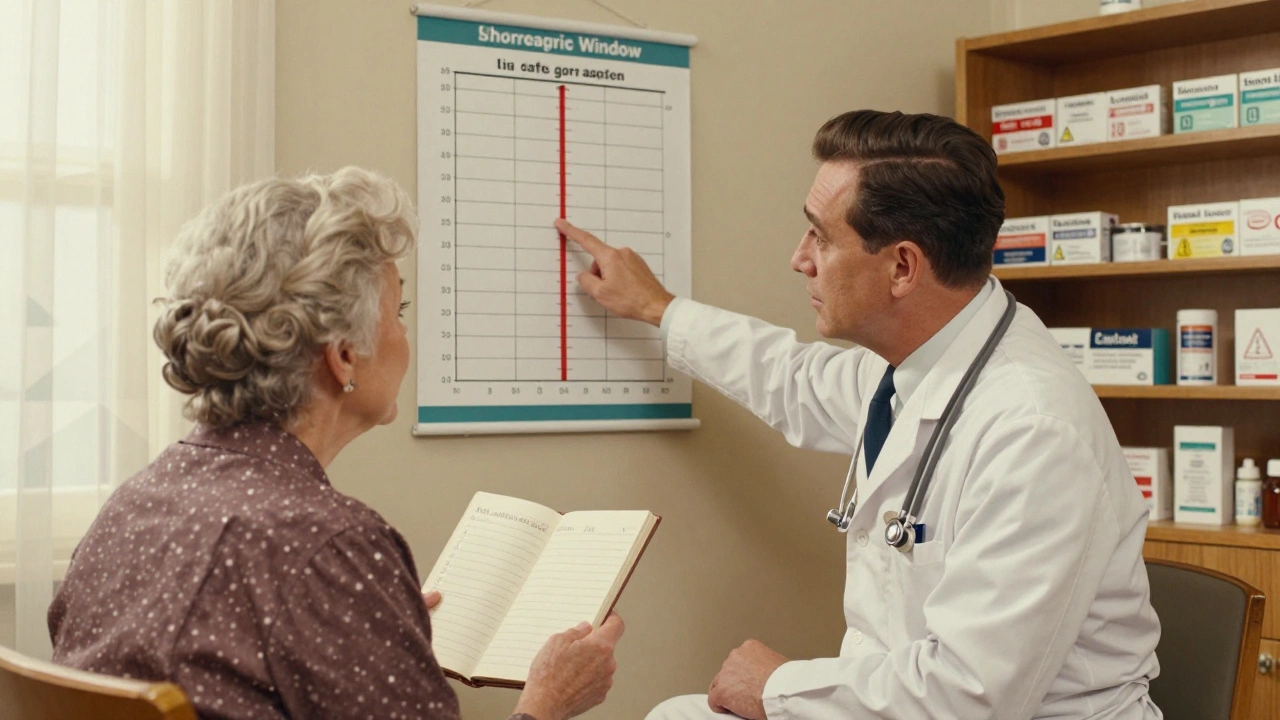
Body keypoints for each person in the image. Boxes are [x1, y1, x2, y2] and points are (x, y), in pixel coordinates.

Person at [556, 110, 1161, 720]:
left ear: (902, 267)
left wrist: (779, 689)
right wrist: (660, 308)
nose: (800, 259)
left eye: (820, 236)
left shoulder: (1032, 431)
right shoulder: (916, 364)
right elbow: (789, 377)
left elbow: (971, 697)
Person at [48, 167, 623, 720]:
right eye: (397, 312)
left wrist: (370, 621)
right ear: (343, 354)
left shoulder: (132, 504)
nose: (405, 335)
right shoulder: (330, 546)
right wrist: (545, 703)